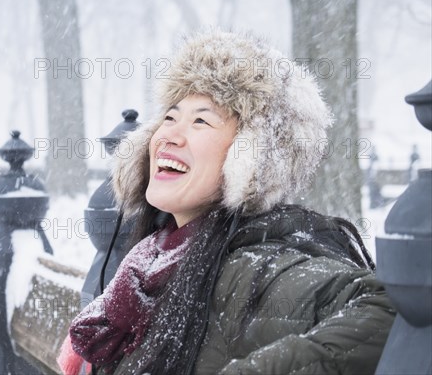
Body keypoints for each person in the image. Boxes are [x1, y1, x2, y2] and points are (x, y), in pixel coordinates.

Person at [58, 29, 395, 375]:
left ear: (251, 159)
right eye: (170, 117)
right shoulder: (151, 262)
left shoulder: (255, 268)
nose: (169, 134)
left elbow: (391, 312)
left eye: (200, 120)